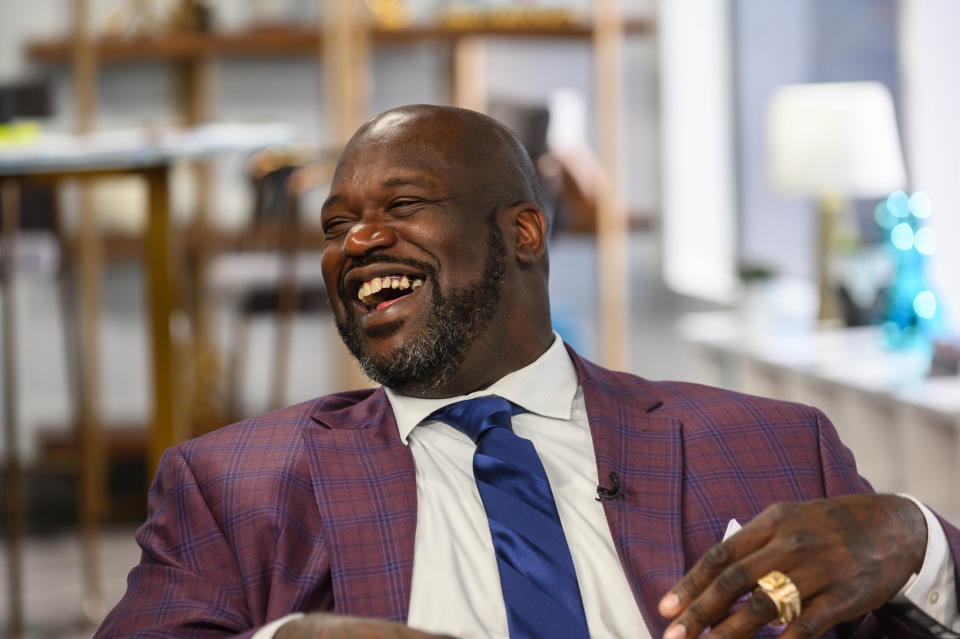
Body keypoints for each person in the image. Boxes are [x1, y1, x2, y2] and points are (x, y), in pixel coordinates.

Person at [96, 105, 960, 639]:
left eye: (400, 206)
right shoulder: (231, 484)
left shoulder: (774, 444)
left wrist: (914, 541)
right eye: (335, 225)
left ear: (523, 234)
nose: (355, 243)